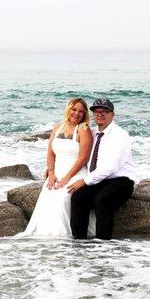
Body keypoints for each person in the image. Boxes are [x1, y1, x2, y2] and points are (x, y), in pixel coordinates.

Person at [18, 98, 94, 237]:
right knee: (47, 200)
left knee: (62, 199)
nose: (77, 113)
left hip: (75, 173)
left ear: (84, 115)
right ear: (68, 109)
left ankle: (63, 237)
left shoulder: (83, 129)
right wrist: (51, 173)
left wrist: (68, 177)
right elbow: (51, 153)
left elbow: (84, 158)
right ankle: (48, 238)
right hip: (57, 174)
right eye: (74, 109)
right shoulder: (57, 128)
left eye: (81, 111)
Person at [67, 98, 137, 240]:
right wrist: (51, 167)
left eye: (105, 111)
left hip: (121, 181)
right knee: (78, 197)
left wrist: (85, 180)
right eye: (97, 112)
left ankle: (103, 245)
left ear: (113, 114)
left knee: (102, 200)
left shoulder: (120, 135)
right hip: (100, 180)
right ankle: (79, 241)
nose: (100, 114)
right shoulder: (91, 132)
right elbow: (68, 143)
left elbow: (111, 167)